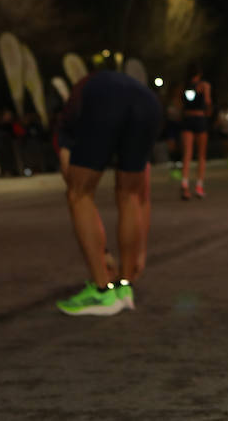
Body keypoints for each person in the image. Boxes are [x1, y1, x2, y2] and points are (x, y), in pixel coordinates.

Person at [54, 70, 160, 316]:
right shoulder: (112, 84)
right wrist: (138, 252)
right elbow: (141, 193)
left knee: (78, 193)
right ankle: (125, 287)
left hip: (107, 100)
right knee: (129, 194)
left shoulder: (71, 109)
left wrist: (102, 254)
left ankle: (103, 292)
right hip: (149, 102)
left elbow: (69, 176)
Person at [178, 65, 212, 200]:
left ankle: (185, 184)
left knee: (187, 154)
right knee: (201, 155)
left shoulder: (183, 86)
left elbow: (179, 104)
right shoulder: (204, 85)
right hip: (200, 119)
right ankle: (199, 186)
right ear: (200, 73)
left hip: (187, 119)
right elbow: (208, 102)